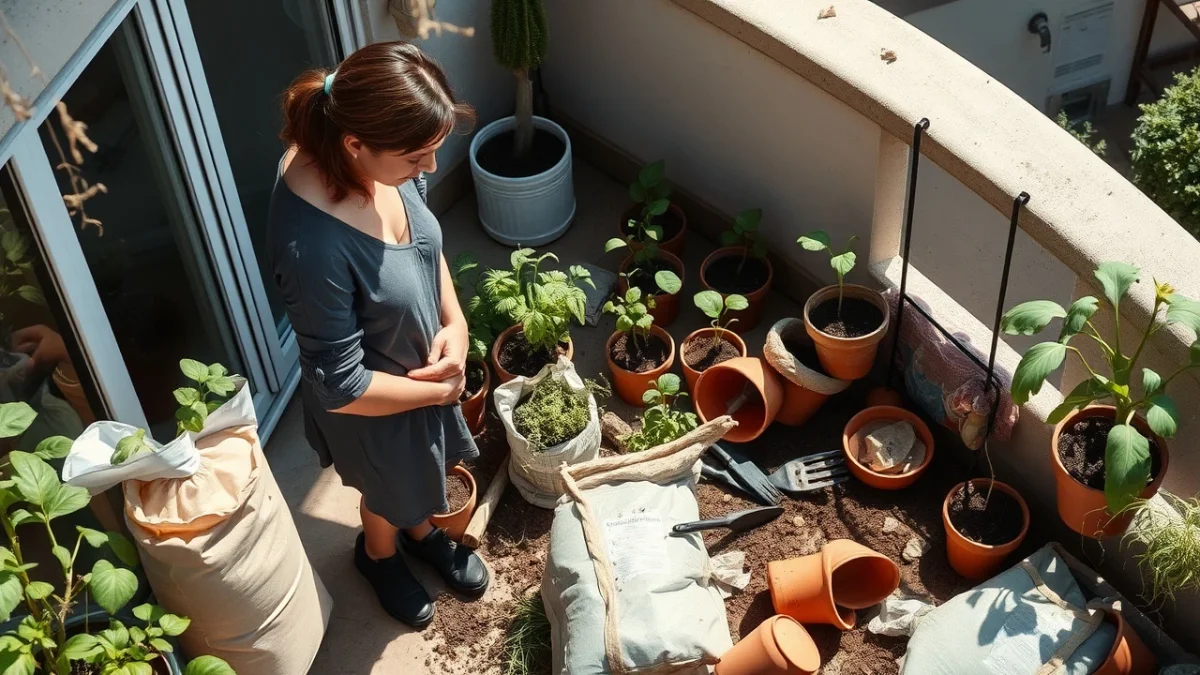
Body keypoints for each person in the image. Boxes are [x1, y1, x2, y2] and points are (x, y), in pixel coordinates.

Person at [267, 42, 485, 629]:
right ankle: (378, 554)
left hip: (417, 377)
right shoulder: (310, 246)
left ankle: (418, 530)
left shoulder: (375, 156)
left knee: (414, 476)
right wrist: (439, 393)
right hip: (375, 406)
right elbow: (342, 386)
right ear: (355, 145)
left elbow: (423, 243)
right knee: (385, 485)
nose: (430, 171)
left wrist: (455, 323)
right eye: (418, 158)